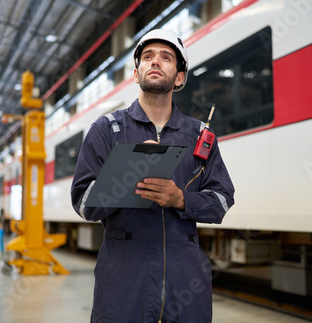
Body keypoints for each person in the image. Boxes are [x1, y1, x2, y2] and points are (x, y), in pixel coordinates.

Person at [71, 29, 235, 322]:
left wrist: (181, 199)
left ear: (180, 77)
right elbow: (84, 203)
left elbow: (222, 200)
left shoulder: (200, 136)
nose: (155, 62)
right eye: (147, 57)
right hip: (123, 281)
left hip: (185, 282)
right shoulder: (107, 130)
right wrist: (125, 173)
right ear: (136, 74)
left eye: (166, 58)